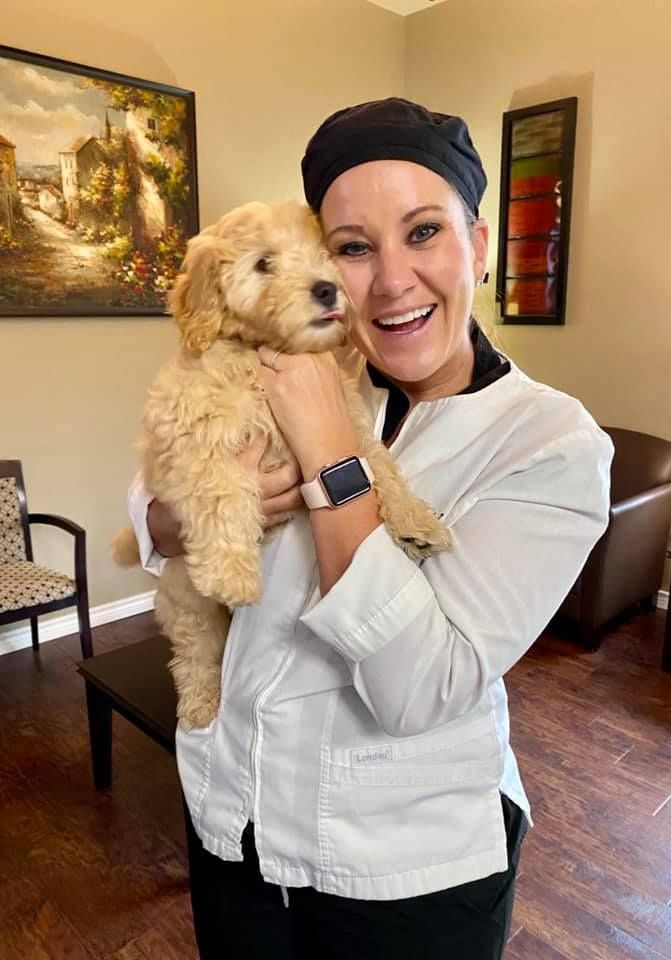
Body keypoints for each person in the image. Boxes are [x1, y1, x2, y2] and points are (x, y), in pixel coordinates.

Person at [127, 98, 613, 959]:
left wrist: (330, 458)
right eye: (354, 247)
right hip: (232, 818)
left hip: (401, 872)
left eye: (423, 232)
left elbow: (419, 688)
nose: (390, 281)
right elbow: (156, 496)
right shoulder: (284, 354)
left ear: (481, 244)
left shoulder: (549, 441)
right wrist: (171, 520)